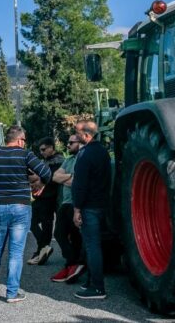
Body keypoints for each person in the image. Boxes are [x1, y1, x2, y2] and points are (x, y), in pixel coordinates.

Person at [0, 126, 51, 303]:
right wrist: (41, 186)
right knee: (15, 252)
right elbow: (46, 172)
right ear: (20, 140)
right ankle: (11, 293)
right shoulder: (25, 155)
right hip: (21, 208)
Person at [71, 120, 112, 300]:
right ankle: (90, 281)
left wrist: (77, 209)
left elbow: (80, 184)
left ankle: (97, 287)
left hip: (88, 206)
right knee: (94, 245)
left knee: (92, 246)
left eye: (78, 133)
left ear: (86, 135)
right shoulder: (103, 152)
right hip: (102, 204)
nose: (76, 135)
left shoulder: (84, 154)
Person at [50, 133, 85, 283]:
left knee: (76, 236)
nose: (68, 145)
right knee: (59, 233)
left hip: (75, 202)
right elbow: (55, 177)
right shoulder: (68, 159)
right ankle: (72, 262)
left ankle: (72, 265)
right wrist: (69, 177)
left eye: (71, 143)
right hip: (65, 203)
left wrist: (67, 178)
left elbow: (78, 181)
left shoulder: (83, 159)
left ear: (81, 143)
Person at [27, 137, 63, 266]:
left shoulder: (58, 161)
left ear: (52, 147)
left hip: (50, 198)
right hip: (42, 197)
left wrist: (38, 178)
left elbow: (51, 177)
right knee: (31, 221)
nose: (41, 152)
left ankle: (41, 251)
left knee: (47, 226)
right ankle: (43, 248)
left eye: (44, 149)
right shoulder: (46, 161)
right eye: (40, 150)